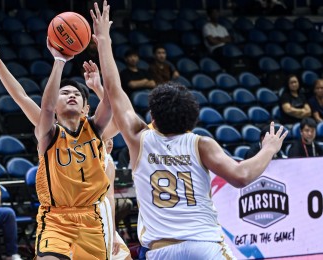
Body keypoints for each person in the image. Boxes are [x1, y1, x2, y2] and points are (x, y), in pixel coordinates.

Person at [92, 1, 288, 259]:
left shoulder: (139, 139)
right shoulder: (201, 143)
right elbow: (241, 176)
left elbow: (114, 89)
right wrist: (269, 149)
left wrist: (104, 39)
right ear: (190, 118)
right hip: (203, 245)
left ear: (153, 114)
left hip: (161, 250)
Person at [0, 35, 126, 259]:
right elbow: (24, 98)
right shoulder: (49, 133)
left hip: (91, 219)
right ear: (55, 105)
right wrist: (58, 60)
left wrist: (103, 50)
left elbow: (114, 101)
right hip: (56, 218)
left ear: (86, 107)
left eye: (77, 94)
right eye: (65, 93)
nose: (72, 95)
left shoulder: (95, 130)